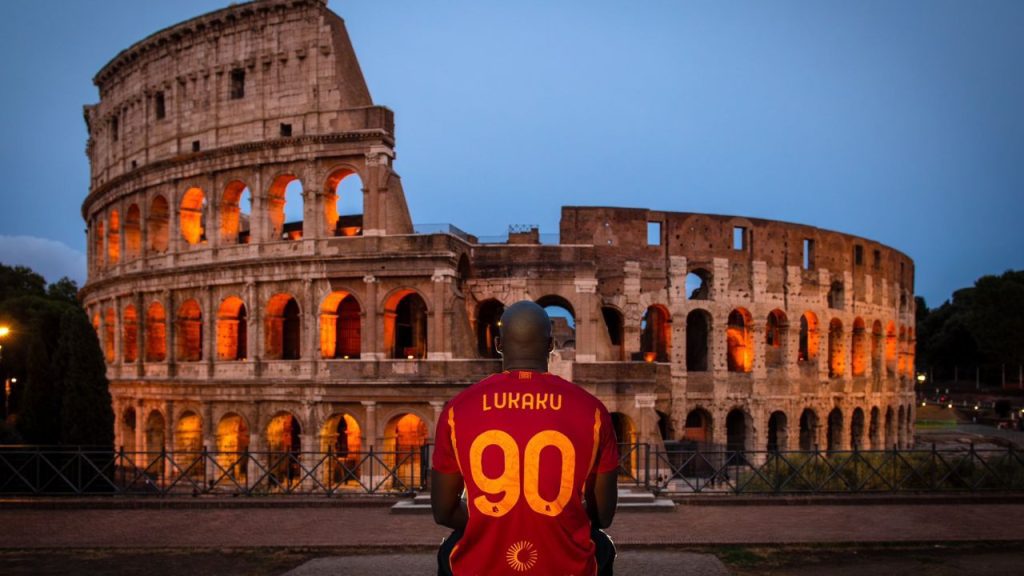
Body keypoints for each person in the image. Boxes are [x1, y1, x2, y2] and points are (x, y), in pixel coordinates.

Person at [431, 300, 619, 575]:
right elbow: (603, 515)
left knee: (448, 551)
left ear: (498, 344)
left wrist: (490, 521)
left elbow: (443, 511)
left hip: (481, 567)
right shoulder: (593, 411)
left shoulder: (456, 410)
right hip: (566, 565)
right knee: (603, 547)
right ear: (551, 345)